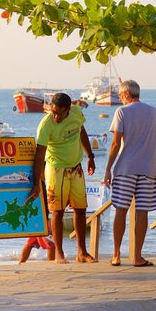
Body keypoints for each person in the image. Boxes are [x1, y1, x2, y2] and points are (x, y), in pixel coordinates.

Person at [26, 92, 97, 264]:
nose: (55, 116)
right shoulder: (46, 125)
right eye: (53, 112)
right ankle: (59, 253)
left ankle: (82, 252)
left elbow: (82, 132)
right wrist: (36, 183)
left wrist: (90, 156)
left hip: (76, 166)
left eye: (59, 113)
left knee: (81, 209)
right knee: (57, 210)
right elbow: (39, 155)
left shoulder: (76, 112)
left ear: (68, 109)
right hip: (56, 168)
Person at [103, 80, 156, 268]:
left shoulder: (122, 112)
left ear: (127, 94)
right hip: (148, 169)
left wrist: (108, 169)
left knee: (121, 209)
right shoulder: (155, 113)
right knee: (142, 211)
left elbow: (115, 143)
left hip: (126, 168)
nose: (120, 99)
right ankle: (137, 256)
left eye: (121, 96)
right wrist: (154, 165)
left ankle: (116, 255)